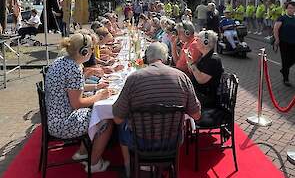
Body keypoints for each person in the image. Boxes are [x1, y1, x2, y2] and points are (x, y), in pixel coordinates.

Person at [112, 42, 201, 177]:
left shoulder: (134, 79)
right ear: (166, 58)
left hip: (141, 141)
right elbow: (196, 115)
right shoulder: (182, 77)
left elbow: (117, 118)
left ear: (147, 58)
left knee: (121, 125)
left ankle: (129, 167)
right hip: (172, 141)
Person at [45, 33, 113, 172]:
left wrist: (96, 87)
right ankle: (94, 164)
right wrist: (99, 96)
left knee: (95, 112)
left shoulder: (63, 61)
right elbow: (77, 103)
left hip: (54, 118)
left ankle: (82, 153)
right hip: (63, 124)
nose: (92, 52)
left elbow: (73, 88)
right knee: (105, 119)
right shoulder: (74, 68)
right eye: (91, 49)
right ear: (84, 51)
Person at [185, 30, 224, 108]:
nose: (195, 41)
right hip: (198, 92)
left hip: (206, 97)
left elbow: (201, 80)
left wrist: (191, 63)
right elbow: (193, 73)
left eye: (198, 39)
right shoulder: (203, 56)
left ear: (205, 42)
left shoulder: (213, 60)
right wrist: (189, 61)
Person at [273, 1, 295, 86]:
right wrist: (277, 39)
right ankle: (286, 79)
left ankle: (284, 69)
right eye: (289, 8)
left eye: (293, 8)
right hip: (284, 42)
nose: (291, 10)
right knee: (285, 60)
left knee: (293, 58)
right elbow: (276, 29)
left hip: (293, 42)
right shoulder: (282, 18)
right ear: (286, 9)